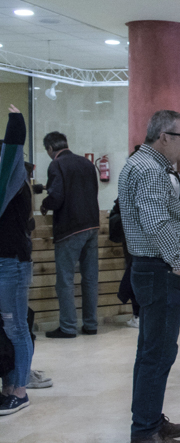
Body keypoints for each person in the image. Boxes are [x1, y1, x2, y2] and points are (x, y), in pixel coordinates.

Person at [118, 109, 180, 443]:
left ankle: (148, 419)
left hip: (150, 268)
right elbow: (154, 222)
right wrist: (178, 260)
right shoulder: (151, 171)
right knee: (158, 353)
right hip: (160, 270)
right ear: (164, 136)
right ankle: (145, 433)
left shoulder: (140, 164)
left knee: (150, 351)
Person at [39, 130, 100, 338]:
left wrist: (45, 204)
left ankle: (67, 327)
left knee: (65, 279)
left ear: (50, 148)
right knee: (90, 278)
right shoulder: (86, 163)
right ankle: (91, 324)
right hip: (92, 225)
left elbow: (56, 197)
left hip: (70, 228)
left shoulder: (56, 164)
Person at [0, 107, 35, 416]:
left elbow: (12, 147)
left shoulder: (9, 177)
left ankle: (19, 391)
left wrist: (17, 121)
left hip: (11, 262)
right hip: (8, 261)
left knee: (16, 328)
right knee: (9, 328)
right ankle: (9, 386)